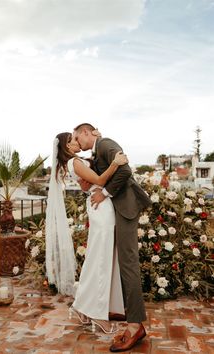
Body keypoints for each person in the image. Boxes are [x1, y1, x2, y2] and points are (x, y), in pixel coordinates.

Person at [73, 123, 152, 352]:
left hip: (125, 209)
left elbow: (125, 171)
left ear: (88, 133)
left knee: (128, 265)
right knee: (121, 264)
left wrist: (104, 193)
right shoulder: (97, 152)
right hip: (117, 211)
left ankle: (136, 326)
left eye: (79, 138)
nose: (78, 144)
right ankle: (125, 313)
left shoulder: (106, 143)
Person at [45, 131, 128, 333]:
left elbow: (91, 178)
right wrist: (115, 163)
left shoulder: (75, 162)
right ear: (66, 146)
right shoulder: (75, 163)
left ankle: (83, 306)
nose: (76, 142)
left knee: (96, 257)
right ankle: (98, 315)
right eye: (72, 140)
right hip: (101, 207)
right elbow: (100, 180)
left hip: (99, 205)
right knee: (101, 259)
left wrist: (99, 137)